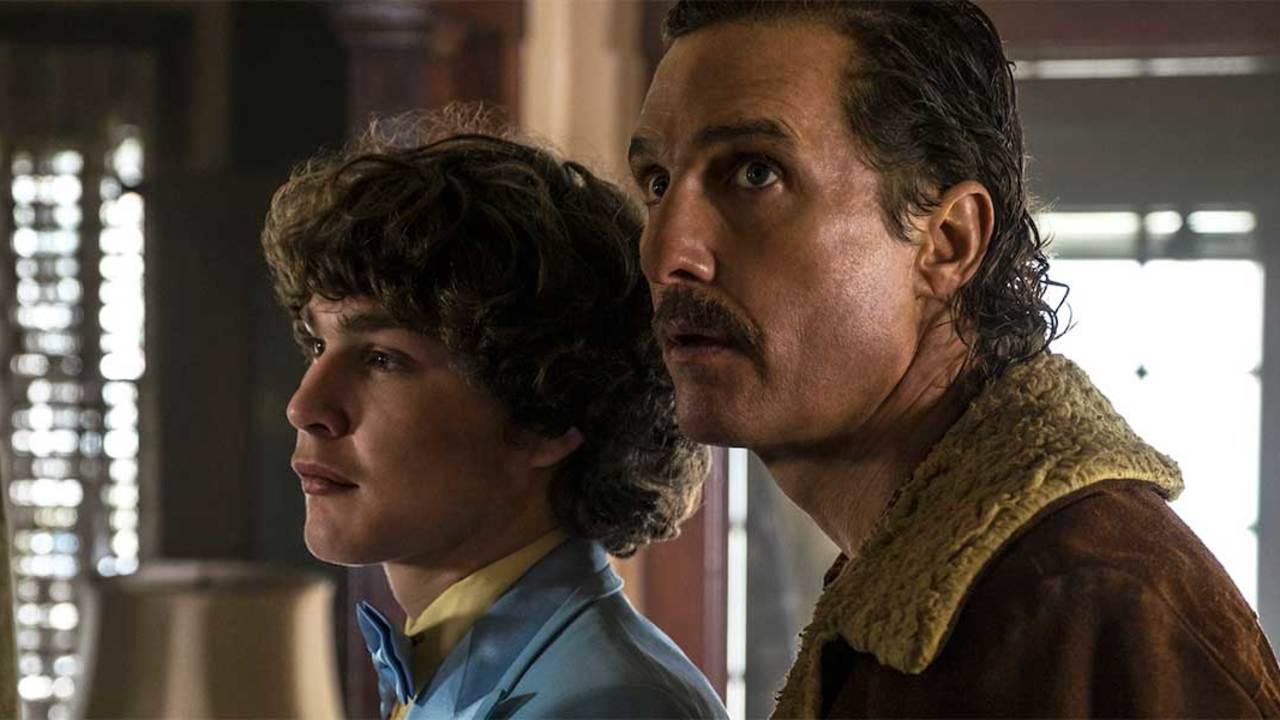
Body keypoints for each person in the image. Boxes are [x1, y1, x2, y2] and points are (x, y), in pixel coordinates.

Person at [630, 1, 1280, 716]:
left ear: (948, 241)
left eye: (755, 173)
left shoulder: (1088, 601)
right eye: (657, 182)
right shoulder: (942, 585)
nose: (667, 252)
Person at [261, 108, 727, 720]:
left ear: (545, 416)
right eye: (318, 345)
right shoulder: (456, 672)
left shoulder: (605, 704)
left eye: (382, 358)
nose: (306, 407)